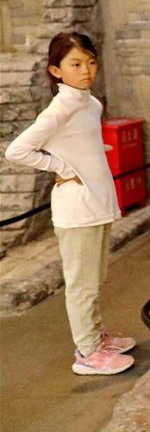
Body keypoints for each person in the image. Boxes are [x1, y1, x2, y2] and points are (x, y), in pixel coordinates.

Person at [5, 32, 136, 375]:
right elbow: (17, 150)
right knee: (82, 284)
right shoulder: (61, 107)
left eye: (91, 62)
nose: (86, 70)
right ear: (56, 70)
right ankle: (87, 352)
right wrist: (62, 167)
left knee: (96, 276)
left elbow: (81, 141)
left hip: (97, 201)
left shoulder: (90, 103)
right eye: (75, 64)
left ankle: (95, 335)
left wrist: (93, 152)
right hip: (77, 208)